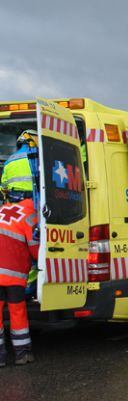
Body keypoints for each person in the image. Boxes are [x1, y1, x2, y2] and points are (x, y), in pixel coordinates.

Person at [0, 198, 39, 367]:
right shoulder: (31, 216)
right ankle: (22, 354)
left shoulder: (2, 210)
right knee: (17, 312)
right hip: (13, 275)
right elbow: (35, 246)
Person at [1, 130, 37, 202]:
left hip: (14, 198)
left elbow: (3, 186)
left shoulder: (9, 160)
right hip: (35, 198)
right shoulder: (38, 157)